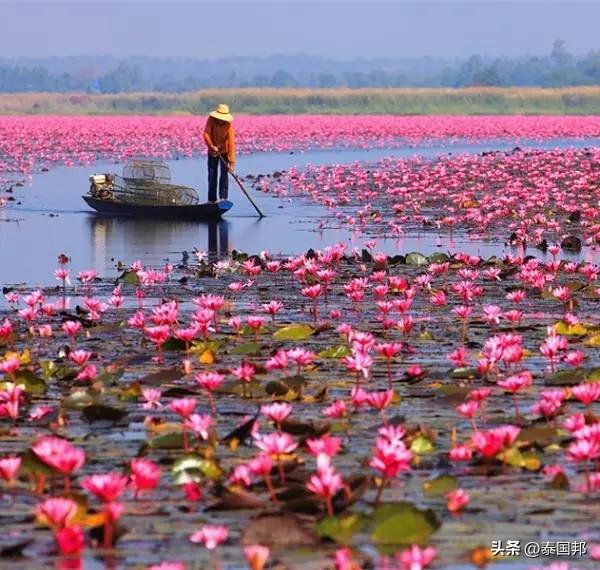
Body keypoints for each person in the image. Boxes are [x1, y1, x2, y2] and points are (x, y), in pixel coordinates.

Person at [203, 103, 235, 203]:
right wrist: (212, 146)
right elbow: (206, 134)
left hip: (224, 150)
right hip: (212, 150)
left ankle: (223, 198)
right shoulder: (211, 120)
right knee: (212, 175)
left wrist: (232, 163)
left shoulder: (228, 125)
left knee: (224, 174)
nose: (222, 120)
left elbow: (231, 144)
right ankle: (211, 199)